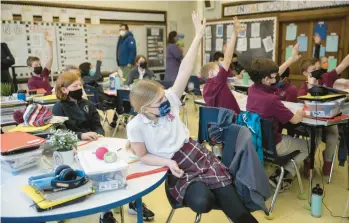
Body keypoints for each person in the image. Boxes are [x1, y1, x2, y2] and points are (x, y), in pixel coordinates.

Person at [127, 13, 257, 223]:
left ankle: (224, 189)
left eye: (163, 97)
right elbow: (142, 156)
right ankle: (222, 187)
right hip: (173, 164)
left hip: (194, 153)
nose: (165, 101)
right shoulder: (136, 126)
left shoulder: (170, 99)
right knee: (202, 202)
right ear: (144, 107)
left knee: (239, 212)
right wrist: (167, 162)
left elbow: (185, 69)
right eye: (159, 101)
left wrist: (198, 36)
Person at [52, 72, 154, 223]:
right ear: (64, 89)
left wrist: (98, 135)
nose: (79, 88)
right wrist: (81, 136)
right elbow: (62, 133)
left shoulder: (87, 104)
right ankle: (105, 214)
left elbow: (97, 125)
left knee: (124, 165)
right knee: (101, 174)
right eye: (75, 86)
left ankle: (134, 202)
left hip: (97, 144)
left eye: (80, 85)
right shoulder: (59, 108)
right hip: (77, 149)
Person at [246, 45, 309, 191]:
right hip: (274, 145)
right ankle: (283, 175)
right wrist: (301, 112)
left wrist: (290, 60)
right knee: (307, 146)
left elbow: (272, 75)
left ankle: (281, 174)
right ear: (267, 79)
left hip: (259, 143)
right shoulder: (271, 100)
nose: (277, 78)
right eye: (273, 77)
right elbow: (294, 120)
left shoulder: (252, 89)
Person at [298, 54, 349, 176]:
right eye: (314, 70)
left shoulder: (326, 78)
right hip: (312, 121)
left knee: (334, 134)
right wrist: (311, 86)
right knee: (316, 137)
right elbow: (309, 104)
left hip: (329, 118)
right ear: (305, 73)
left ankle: (327, 162)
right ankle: (308, 162)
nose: (318, 71)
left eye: (318, 68)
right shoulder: (303, 88)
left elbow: (343, 64)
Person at [201, 17, 243, 115]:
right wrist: (234, 33)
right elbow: (228, 58)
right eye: (217, 69)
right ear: (211, 73)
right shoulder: (217, 80)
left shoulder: (207, 87)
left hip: (218, 120)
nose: (220, 69)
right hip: (231, 119)